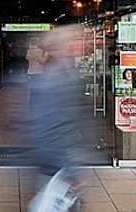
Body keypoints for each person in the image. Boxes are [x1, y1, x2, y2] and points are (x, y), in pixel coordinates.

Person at [28, 25, 85, 211]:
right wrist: (70, 168)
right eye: (71, 42)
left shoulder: (63, 75)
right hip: (56, 161)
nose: (76, 45)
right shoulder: (59, 79)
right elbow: (51, 125)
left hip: (56, 160)